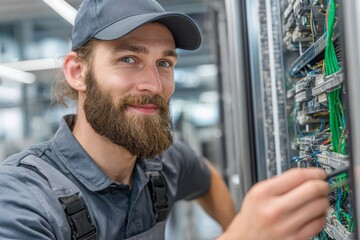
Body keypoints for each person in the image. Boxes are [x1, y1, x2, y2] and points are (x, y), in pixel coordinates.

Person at [0, 0, 329, 239]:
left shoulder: (163, 162)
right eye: (129, 59)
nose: (154, 85)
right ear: (78, 72)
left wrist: (236, 224)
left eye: (164, 63)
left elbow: (205, 176)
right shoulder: (21, 198)